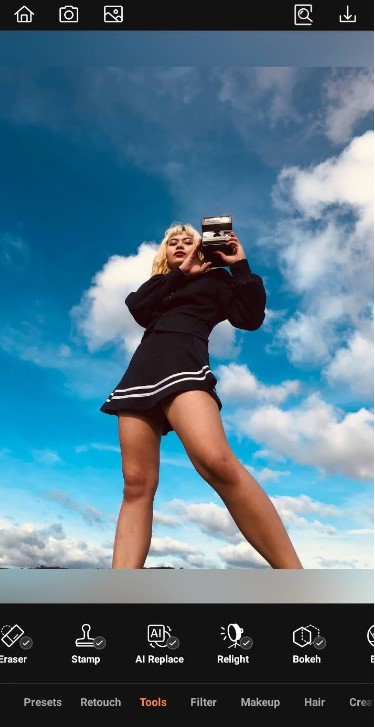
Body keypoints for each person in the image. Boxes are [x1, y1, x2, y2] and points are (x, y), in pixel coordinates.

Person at [100, 222, 303, 570]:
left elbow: (250, 318)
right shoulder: (161, 284)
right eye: (173, 243)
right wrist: (180, 274)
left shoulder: (218, 280)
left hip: (186, 364)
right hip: (142, 372)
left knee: (217, 462)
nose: (179, 246)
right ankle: (120, 593)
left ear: (204, 246)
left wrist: (239, 265)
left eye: (188, 241)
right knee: (135, 484)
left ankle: (297, 579)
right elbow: (137, 308)